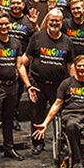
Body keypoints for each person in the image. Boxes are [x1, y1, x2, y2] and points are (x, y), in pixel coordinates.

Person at [0, 11, 32, 167]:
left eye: (6, 23)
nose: (3, 27)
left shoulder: (16, 43)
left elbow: (20, 66)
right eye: (0, 24)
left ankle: (8, 149)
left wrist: (28, 85)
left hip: (13, 86)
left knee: (9, 120)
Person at [24, 9, 75, 155]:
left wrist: (73, 83)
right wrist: (17, 70)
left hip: (59, 84)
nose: (54, 23)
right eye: (51, 20)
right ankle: (37, 143)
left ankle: (63, 141)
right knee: (37, 114)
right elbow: (27, 57)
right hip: (38, 83)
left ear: (61, 22)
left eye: (57, 20)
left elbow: (70, 65)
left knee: (61, 114)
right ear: (47, 21)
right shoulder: (37, 37)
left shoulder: (67, 41)